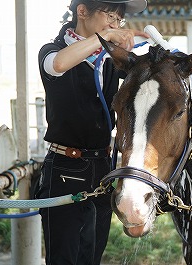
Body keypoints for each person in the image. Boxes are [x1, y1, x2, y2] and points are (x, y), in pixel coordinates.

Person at [36, 0, 149, 264]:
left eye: (119, 20)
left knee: (93, 255)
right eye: (110, 15)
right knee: (64, 258)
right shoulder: (52, 50)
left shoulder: (109, 59)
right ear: (82, 11)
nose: (115, 23)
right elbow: (59, 65)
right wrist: (107, 37)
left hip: (102, 168)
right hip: (66, 169)